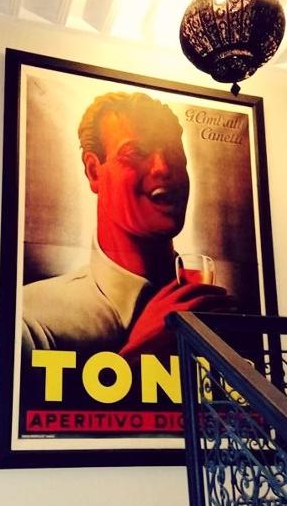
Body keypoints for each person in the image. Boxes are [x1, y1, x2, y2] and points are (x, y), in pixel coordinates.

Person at [22, 91, 234, 367]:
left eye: (174, 154)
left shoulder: (228, 316)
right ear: (93, 171)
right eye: (135, 153)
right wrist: (139, 356)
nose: (163, 167)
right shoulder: (33, 319)